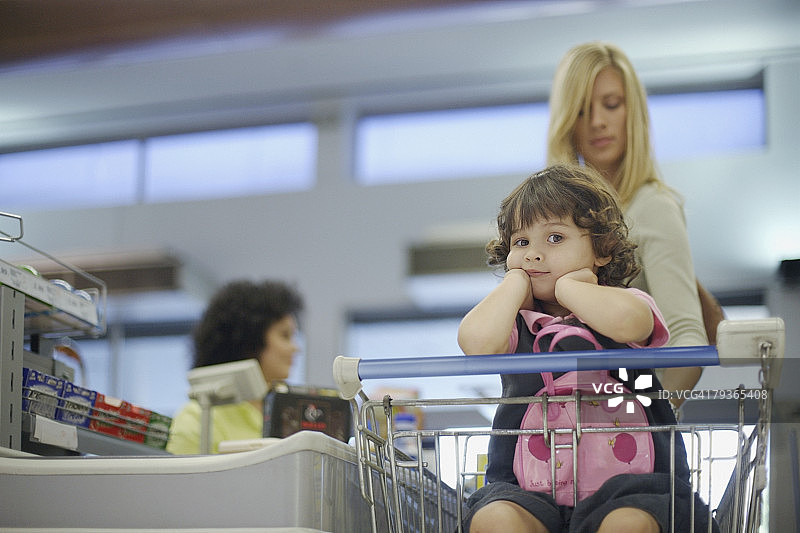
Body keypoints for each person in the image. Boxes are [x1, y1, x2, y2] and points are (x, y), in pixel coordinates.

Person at [458, 165, 716, 532]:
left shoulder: (625, 303)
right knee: (493, 518)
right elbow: (477, 344)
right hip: (527, 493)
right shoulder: (513, 325)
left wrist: (569, 289)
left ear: (603, 250)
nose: (533, 254)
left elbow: (631, 322)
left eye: (555, 238)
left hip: (632, 490)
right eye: (521, 242)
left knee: (629, 524)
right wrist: (513, 284)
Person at [546, 41, 724, 400]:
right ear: (567, 121)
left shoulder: (652, 206)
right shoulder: (554, 219)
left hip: (629, 439)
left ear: (634, 112)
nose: (598, 121)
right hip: (565, 432)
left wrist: (643, 418)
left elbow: (688, 340)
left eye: (612, 105)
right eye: (582, 110)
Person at [166, 279, 303, 454]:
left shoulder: (291, 420)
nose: (295, 348)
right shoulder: (198, 419)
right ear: (251, 340)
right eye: (285, 335)